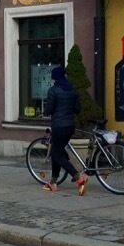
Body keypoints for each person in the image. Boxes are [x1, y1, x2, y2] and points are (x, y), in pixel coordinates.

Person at [42, 66, 86, 195]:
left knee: (56, 154)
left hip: (58, 126)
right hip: (70, 126)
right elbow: (77, 109)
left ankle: (78, 177)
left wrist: (45, 112)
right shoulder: (72, 90)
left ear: (54, 77)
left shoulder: (53, 90)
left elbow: (49, 109)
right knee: (58, 151)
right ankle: (53, 182)